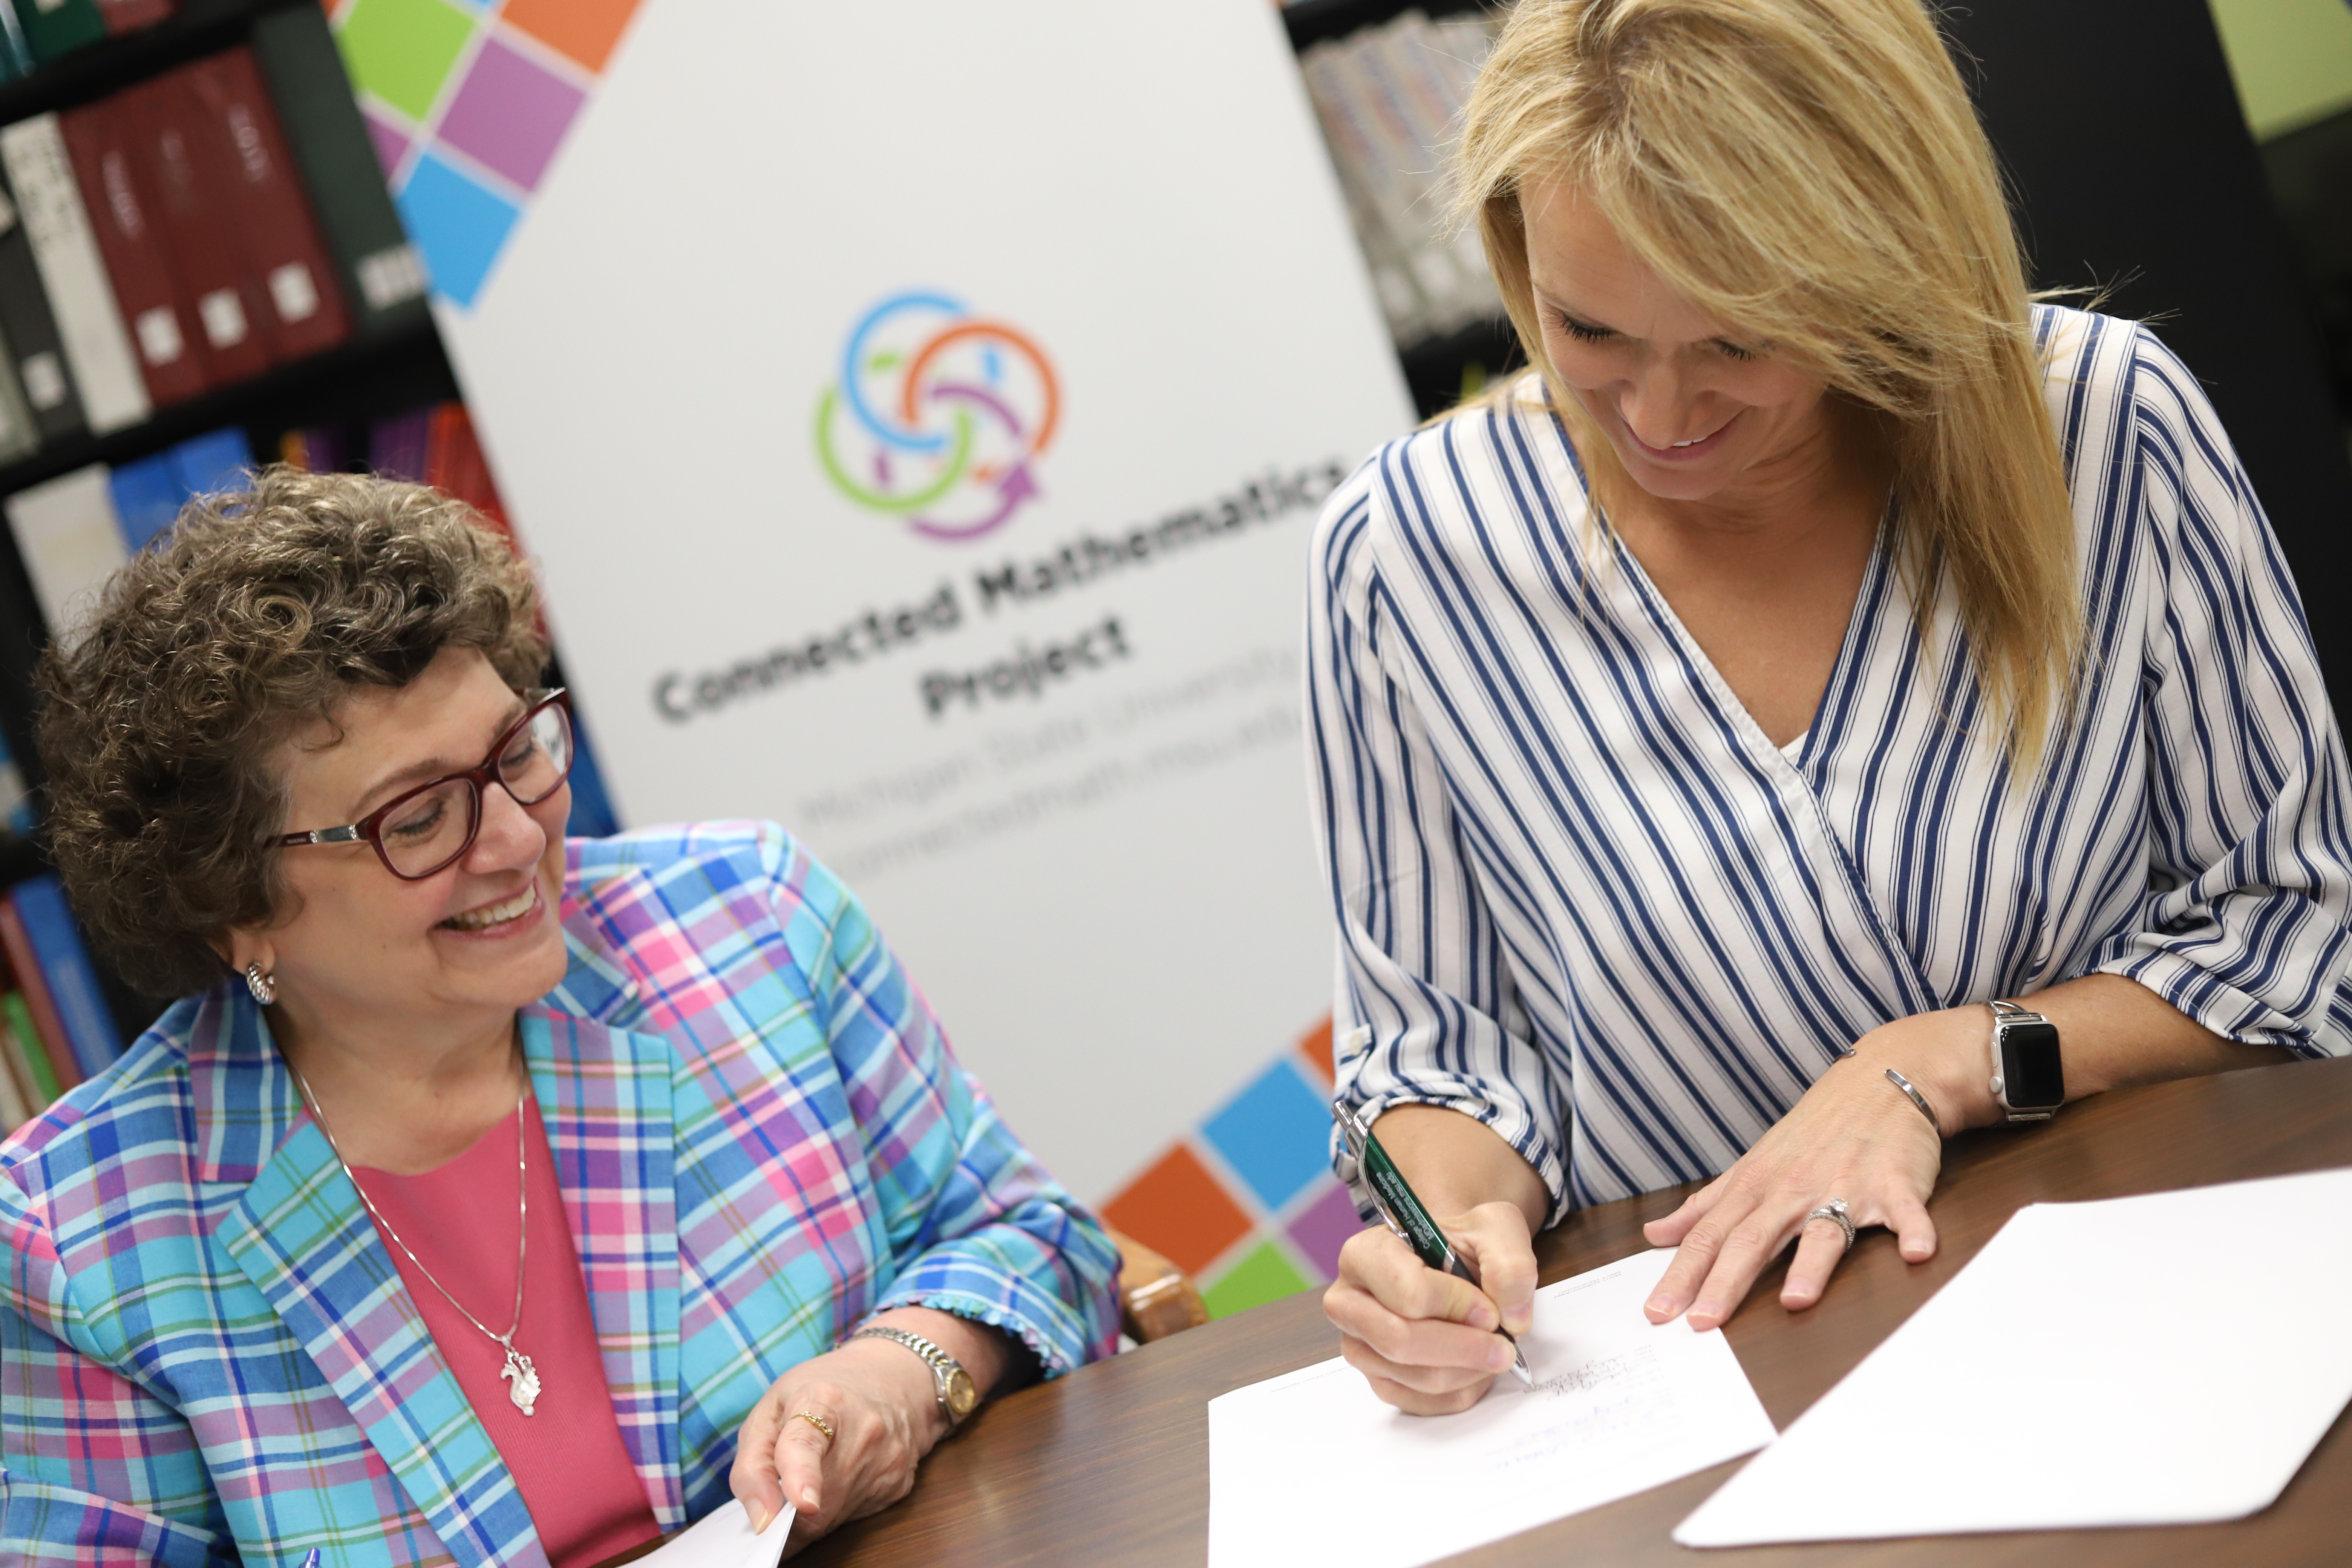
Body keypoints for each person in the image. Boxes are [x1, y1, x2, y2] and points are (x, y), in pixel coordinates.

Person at [1310, 0, 2352, 1415]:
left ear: (1883, 256)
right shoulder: (1404, 551)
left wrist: (1947, 1063)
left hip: (2171, 1304)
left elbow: (2301, 938)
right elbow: (1439, 1055)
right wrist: (1452, 1235)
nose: (1663, 415)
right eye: (1590, 328)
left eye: (1738, 341)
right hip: (1713, 1384)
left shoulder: (2096, 428)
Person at [0, 468, 1119, 1563]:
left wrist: (898, 1371)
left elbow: (1033, 1236)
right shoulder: (80, 1235)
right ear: (233, 903)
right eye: (421, 816)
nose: (519, 842)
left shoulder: (750, 921)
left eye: (518, 753)